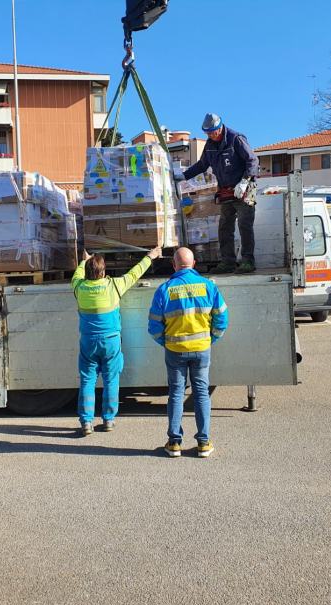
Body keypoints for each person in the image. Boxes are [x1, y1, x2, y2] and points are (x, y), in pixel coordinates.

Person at [148, 247, 229, 458]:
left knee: (176, 393)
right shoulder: (209, 286)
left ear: (174, 265)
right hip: (202, 349)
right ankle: (203, 442)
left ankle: (174, 443)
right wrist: (211, 339)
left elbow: (154, 327)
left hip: (175, 350)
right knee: (201, 393)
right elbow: (222, 319)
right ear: (194, 264)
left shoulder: (165, 290)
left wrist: (166, 343)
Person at [72, 246, 162, 436]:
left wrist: (83, 260)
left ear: (87, 271)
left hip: (88, 341)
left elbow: (77, 274)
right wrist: (150, 256)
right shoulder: (114, 286)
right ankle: (108, 420)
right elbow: (134, 273)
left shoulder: (79, 287)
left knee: (87, 380)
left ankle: (86, 422)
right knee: (111, 380)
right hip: (111, 341)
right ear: (103, 271)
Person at [177, 113, 259, 274]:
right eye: (207, 133)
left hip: (244, 189)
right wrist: (183, 176)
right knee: (224, 227)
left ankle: (248, 261)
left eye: (213, 132)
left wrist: (245, 181)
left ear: (220, 127)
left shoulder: (236, 139)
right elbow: (202, 165)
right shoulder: (209, 146)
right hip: (226, 191)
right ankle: (228, 262)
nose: (211, 135)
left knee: (244, 225)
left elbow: (253, 160)